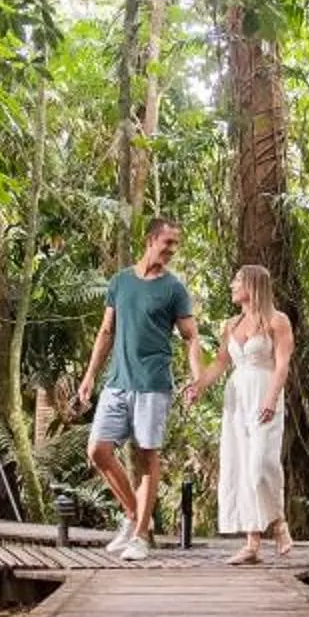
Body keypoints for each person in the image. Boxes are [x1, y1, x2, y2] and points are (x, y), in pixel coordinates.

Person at [73, 216, 199, 559]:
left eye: (176, 244)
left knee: (147, 456)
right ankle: (132, 515)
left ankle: (142, 535)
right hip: (117, 382)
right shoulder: (120, 282)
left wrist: (196, 376)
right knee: (98, 451)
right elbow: (106, 332)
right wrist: (89, 377)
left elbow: (190, 337)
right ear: (150, 240)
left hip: (153, 384)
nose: (173, 249)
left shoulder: (174, 288)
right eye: (168, 242)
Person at [185, 263, 294, 564]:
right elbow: (220, 364)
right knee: (241, 465)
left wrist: (271, 399)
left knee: (260, 465)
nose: (232, 285)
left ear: (253, 285)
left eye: (237, 281)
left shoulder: (277, 320)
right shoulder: (231, 325)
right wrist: (199, 386)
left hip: (264, 391)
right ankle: (252, 543)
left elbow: (282, 364)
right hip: (237, 397)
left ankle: (278, 523)